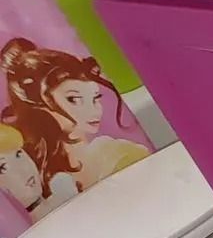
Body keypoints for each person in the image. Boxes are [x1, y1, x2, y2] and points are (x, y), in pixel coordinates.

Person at [1, 36, 149, 208]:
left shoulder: (115, 154)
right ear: (40, 106)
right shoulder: (31, 177)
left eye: (95, 98)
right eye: (74, 99)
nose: (94, 110)